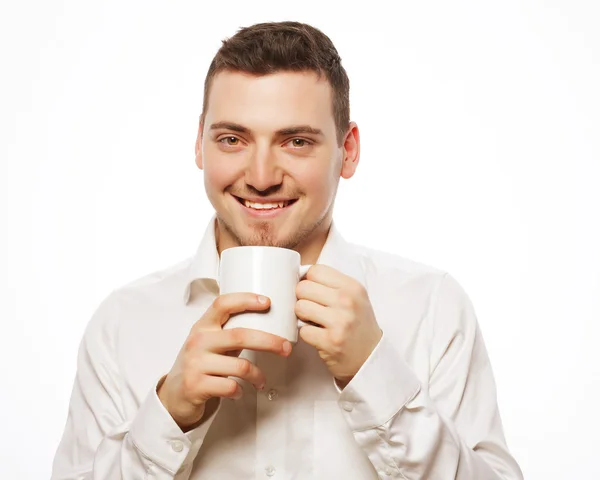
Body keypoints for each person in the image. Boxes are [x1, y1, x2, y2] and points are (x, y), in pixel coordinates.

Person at [51, 21, 523, 480]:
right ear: (199, 144)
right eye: (232, 139)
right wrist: (169, 415)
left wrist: (374, 373)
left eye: (296, 142)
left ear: (349, 149)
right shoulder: (122, 323)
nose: (260, 176)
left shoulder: (432, 307)